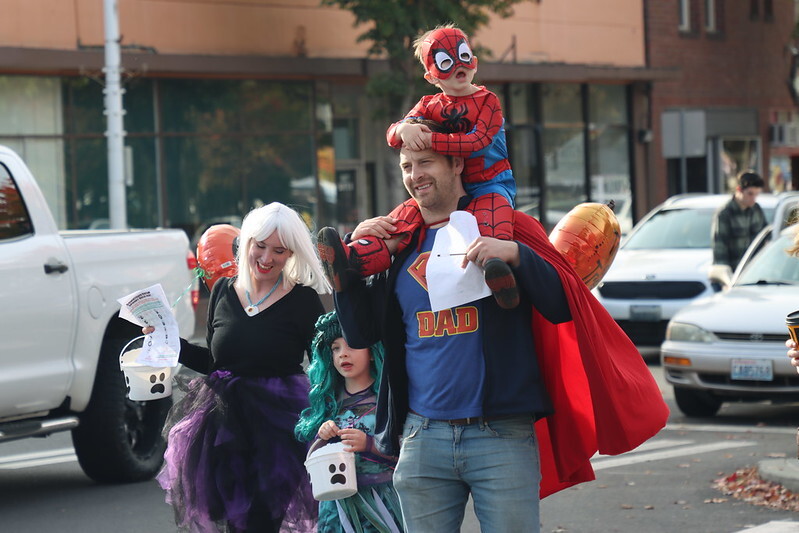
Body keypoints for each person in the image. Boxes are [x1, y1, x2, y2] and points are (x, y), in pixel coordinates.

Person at [329, 119, 669, 532]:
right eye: (405, 166)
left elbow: (565, 305)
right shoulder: (399, 243)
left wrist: (516, 255)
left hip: (501, 436)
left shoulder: (508, 225)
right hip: (421, 436)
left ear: (456, 162)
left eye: (425, 162)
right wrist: (349, 275)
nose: (414, 175)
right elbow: (363, 335)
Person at [149, 202, 330, 532]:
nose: (267, 258)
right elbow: (217, 364)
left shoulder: (302, 299)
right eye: (259, 246)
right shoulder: (222, 290)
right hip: (222, 428)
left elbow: (324, 366)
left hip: (278, 429)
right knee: (234, 524)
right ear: (246, 242)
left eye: (279, 250)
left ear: (292, 254)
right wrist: (168, 342)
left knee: (261, 521)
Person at [318, 24, 519, 309]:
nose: (458, 66)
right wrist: (403, 130)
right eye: (446, 62)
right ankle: (350, 262)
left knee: (489, 224)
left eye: (463, 56)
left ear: (473, 59)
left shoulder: (488, 101)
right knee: (397, 223)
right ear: (430, 75)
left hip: (491, 181)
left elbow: (479, 141)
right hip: (457, 184)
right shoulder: (428, 104)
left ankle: (499, 275)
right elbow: (394, 133)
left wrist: (430, 140)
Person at [295, 312, 403, 533]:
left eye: (351, 345)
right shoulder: (328, 401)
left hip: (384, 505)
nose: (343, 354)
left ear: (371, 352)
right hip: (337, 509)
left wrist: (370, 445)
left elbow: (408, 454)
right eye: (336, 348)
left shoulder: (389, 399)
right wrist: (322, 438)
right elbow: (312, 463)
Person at [712, 170, 767, 272]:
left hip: (754, 272)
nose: (753, 198)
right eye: (750, 194)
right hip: (734, 273)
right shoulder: (725, 213)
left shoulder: (756, 209)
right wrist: (724, 276)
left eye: (757, 194)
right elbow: (720, 247)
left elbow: (766, 238)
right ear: (739, 190)